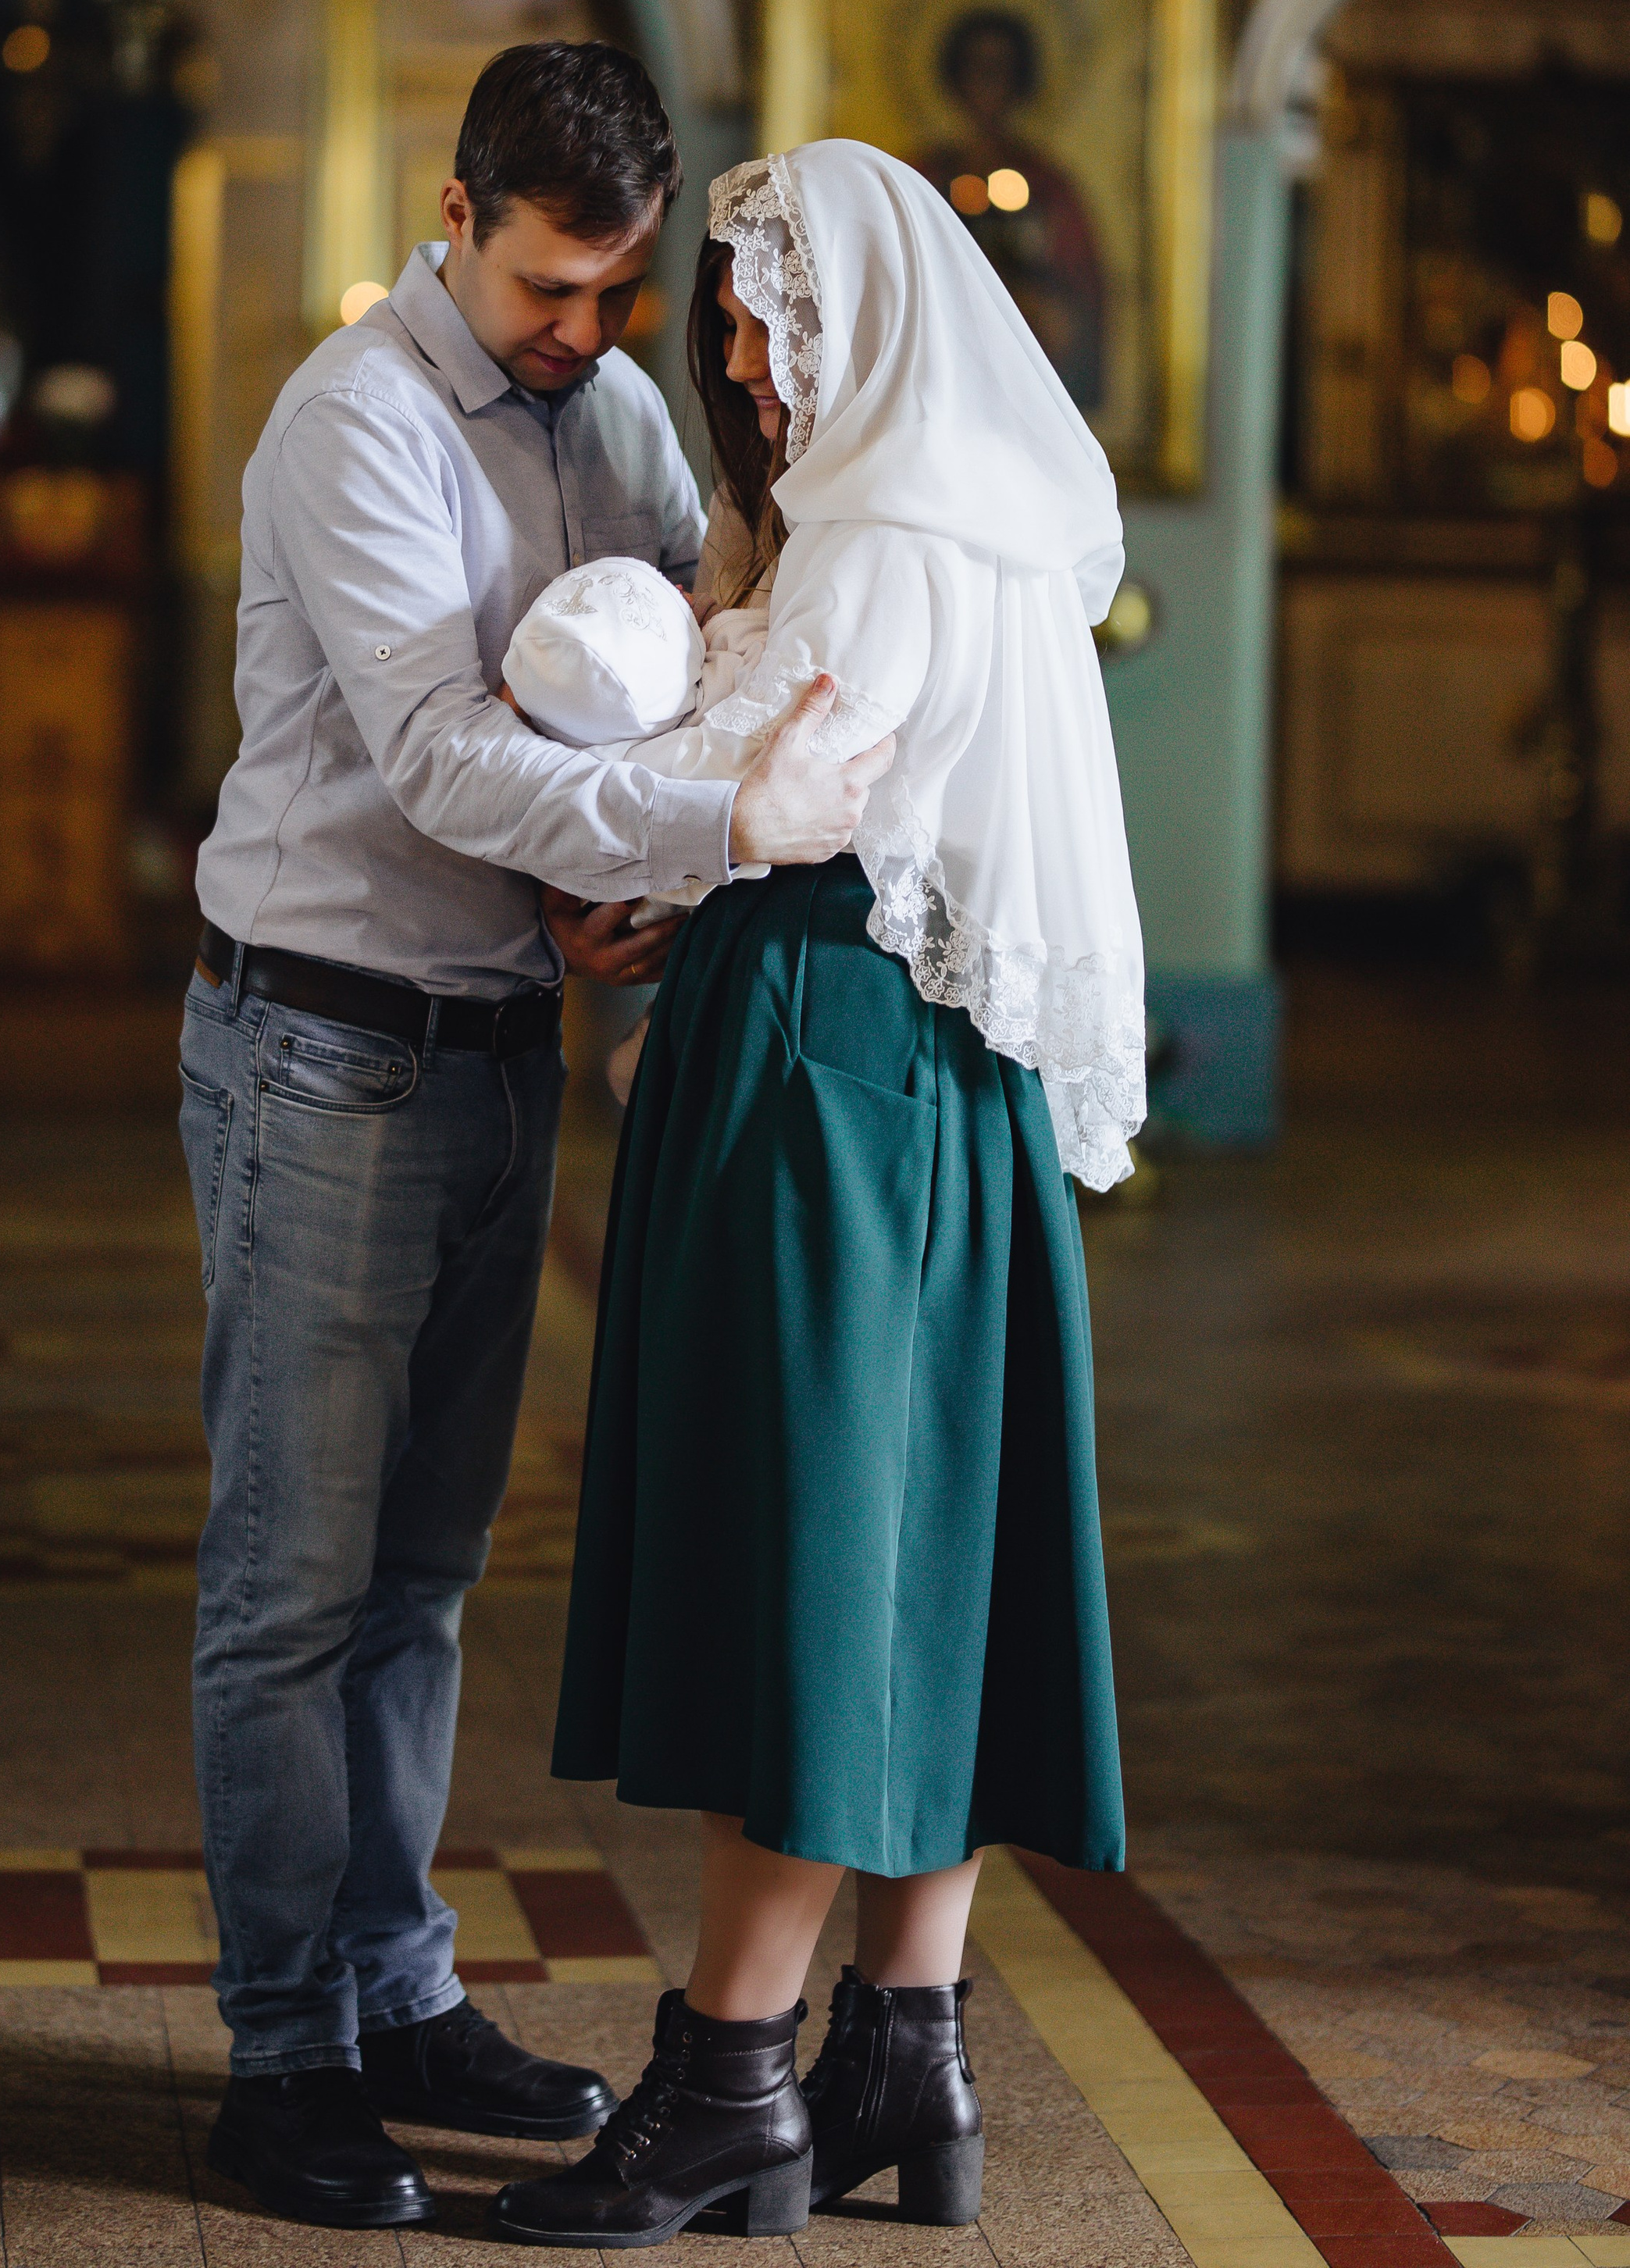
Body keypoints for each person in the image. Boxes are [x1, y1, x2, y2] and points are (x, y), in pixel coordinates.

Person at [180, 46, 895, 2231]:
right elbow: (439, 757)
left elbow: (686, 663)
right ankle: (284, 2056)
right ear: (457, 213)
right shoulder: (356, 423)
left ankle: (398, 1995)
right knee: (292, 1587)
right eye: (547, 287)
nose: (584, 331)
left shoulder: (617, 420)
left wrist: (626, 893)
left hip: (498, 1047)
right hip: (321, 1046)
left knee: (421, 1577)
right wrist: (726, 824)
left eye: (616, 290)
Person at [488, 138, 1146, 2248]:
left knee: (804, 1560)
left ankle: (726, 2083)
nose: (754, 370)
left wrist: (625, 788)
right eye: (737, 336)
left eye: (776, 326)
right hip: (940, 1082)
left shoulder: (866, 542)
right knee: (918, 1553)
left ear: (869, 318)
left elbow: (728, 793)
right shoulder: (979, 518)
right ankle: (904, 2049)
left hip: (819, 1068)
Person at [915, 5, 1108, 412]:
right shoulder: (921, 179)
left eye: (999, 69)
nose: (987, 82)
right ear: (956, 77)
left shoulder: (1049, 187)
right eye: (976, 67)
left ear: (1020, 80)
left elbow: (1083, 303)